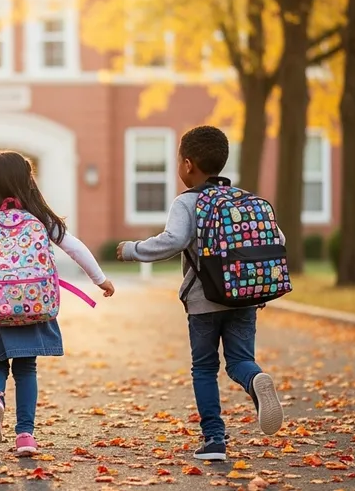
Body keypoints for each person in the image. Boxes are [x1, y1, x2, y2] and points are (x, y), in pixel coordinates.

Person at [0, 151, 115, 457]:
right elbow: (74, 247)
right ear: (27, 182)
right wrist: (99, 279)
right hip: (33, 307)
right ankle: (25, 435)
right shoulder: (41, 220)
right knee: (26, 369)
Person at [116, 125, 284, 462]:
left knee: (204, 368)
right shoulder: (244, 199)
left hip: (204, 300)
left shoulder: (188, 202)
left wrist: (133, 250)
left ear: (188, 165)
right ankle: (256, 380)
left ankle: (214, 440)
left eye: (179, 162)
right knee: (239, 361)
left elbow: (173, 241)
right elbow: (277, 239)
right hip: (244, 296)